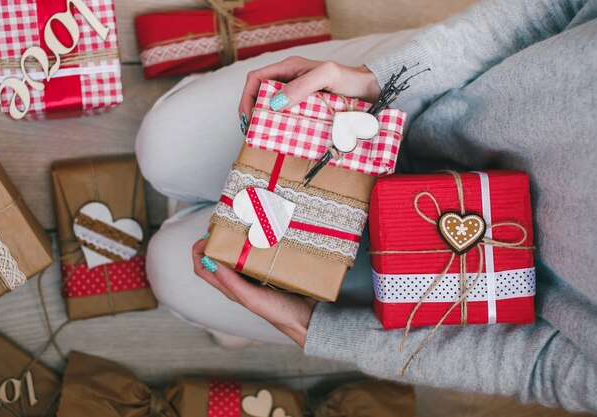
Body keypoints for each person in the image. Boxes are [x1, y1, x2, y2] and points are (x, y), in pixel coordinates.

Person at [135, 0, 597, 412]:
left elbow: (539, 368)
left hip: (427, 292)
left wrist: (308, 325)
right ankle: (233, 229)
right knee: (160, 148)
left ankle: (245, 255)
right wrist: (382, 76)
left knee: (168, 267)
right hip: (408, 102)